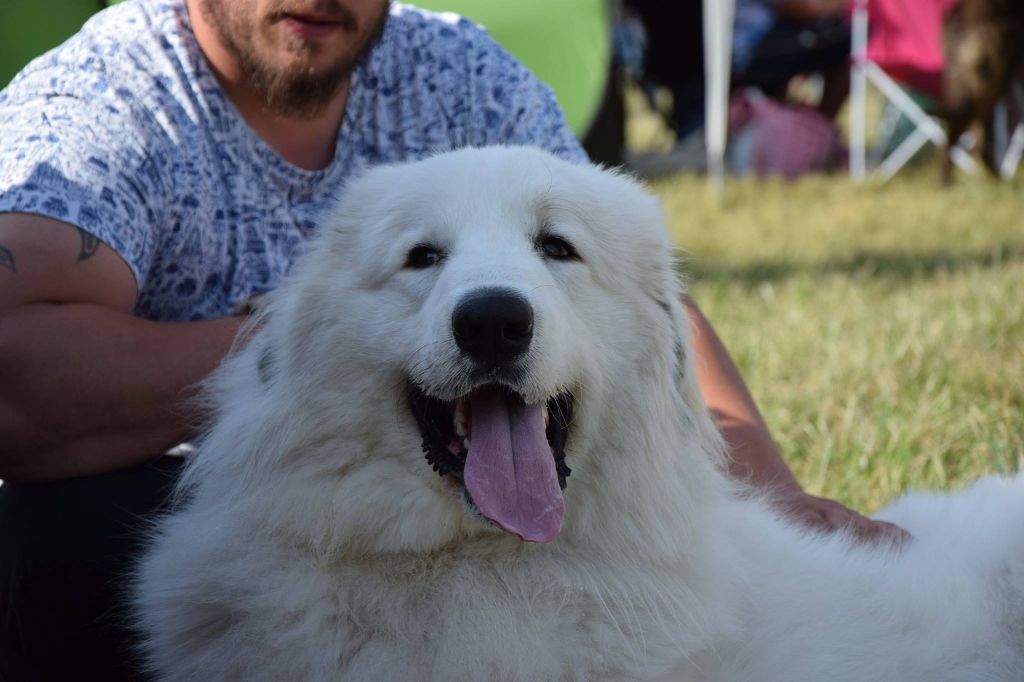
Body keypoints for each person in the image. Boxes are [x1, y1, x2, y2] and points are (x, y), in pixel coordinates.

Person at [0, 0, 905, 678]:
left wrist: (767, 482)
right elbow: (17, 374)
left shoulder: (458, 71)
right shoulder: (107, 99)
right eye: (427, 253)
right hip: (211, 496)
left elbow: (626, 292)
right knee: (77, 521)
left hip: (489, 529)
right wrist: (305, 330)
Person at [732, 0, 853, 120]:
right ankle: (818, 126)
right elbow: (804, 8)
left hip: (759, 51)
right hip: (747, 55)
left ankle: (815, 128)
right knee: (847, 44)